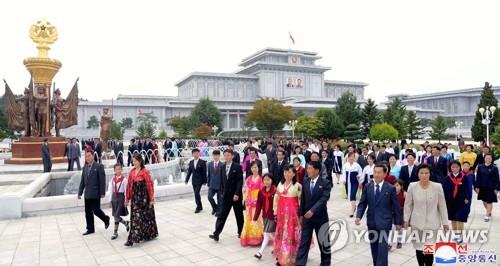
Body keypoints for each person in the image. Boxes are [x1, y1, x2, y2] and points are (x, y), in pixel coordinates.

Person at [355, 163, 402, 266]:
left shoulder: (390, 188)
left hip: (385, 222)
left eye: (379, 172)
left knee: (383, 249)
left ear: (385, 174)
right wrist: (358, 216)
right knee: (374, 247)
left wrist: (398, 222)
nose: (376, 175)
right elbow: (362, 203)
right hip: (371, 222)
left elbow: (396, 206)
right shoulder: (368, 186)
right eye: (375, 172)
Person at [404, 164, 449, 266]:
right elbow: (408, 205)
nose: (424, 175)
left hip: (432, 224)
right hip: (417, 223)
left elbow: (442, 206)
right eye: (421, 173)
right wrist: (406, 219)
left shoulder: (437, 187)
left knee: (429, 249)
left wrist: (445, 222)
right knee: (419, 248)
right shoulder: (412, 186)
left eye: (426, 173)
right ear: (418, 174)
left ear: (430, 174)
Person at [296, 161, 331, 266]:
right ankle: (300, 263)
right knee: (304, 242)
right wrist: (301, 215)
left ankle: (325, 263)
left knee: (323, 243)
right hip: (307, 218)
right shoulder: (305, 181)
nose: (308, 170)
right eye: (307, 168)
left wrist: (313, 210)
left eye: (310, 168)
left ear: (317, 170)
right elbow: (303, 200)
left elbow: (324, 199)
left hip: (321, 218)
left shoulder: (325, 183)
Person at [210, 149, 244, 241]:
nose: (226, 157)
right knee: (221, 215)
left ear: (232, 156)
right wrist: (221, 194)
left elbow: (240, 181)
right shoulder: (222, 167)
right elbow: (222, 182)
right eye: (225, 155)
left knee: (239, 215)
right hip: (226, 196)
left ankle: (241, 232)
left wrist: (237, 193)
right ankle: (216, 233)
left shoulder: (237, 167)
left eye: (228, 155)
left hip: (236, 196)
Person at [125, 153, 158, 246]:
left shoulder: (145, 171)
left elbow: (150, 185)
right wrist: (127, 198)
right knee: (136, 218)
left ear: (140, 161)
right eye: (133, 161)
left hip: (144, 198)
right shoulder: (131, 172)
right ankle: (133, 238)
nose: (134, 162)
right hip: (135, 199)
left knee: (145, 217)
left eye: (135, 161)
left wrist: (151, 199)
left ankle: (148, 234)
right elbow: (129, 186)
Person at [274, 165, 303, 266]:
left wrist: (300, 214)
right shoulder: (280, 184)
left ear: (294, 174)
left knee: (291, 235)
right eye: (285, 172)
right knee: (282, 234)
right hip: (282, 215)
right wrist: (275, 210)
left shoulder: (298, 186)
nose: (287, 174)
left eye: (290, 172)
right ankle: (282, 256)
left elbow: (301, 201)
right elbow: (276, 197)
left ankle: (292, 257)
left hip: (293, 216)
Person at [78, 151, 110, 235]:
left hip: (95, 193)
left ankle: (106, 219)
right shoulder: (85, 167)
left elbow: (102, 180)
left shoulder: (99, 166)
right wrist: (80, 192)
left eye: (89, 156)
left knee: (96, 210)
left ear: (93, 156)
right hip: (87, 194)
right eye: (86, 156)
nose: (87, 158)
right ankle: (90, 229)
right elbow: (82, 181)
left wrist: (102, 192)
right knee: (88, 212)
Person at [442, 161, 472, 243]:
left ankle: (460, 235)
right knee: (453, 219)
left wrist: (467, 198)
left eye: (456, 167)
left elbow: (468, 188)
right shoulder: (447, 178)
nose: (454, 169)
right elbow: (444, 190)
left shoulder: (464, 177)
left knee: (460, 218)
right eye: (453, 167)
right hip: (450, 201)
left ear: (459, 168)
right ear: (450, 168)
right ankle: (456, 234)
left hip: (461, 201)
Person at [253, 174, 276, 260]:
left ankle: (260, 252)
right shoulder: (261, 191)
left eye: (268, 180)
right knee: (272, 234)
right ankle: (278, 248)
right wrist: (255, 217)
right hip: (265, 216)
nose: (266, 182)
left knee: (267, 233)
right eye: (265, 180)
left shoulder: (275, 190)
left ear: (272, 181)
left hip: (273, 216)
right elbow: (258, 205)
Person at [240, 161, 264, 246]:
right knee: (249, 219)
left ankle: (258, 238)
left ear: (258, 168)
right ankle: (249, 237)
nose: (254, 169)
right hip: (249, 201)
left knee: (258, 218)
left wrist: (259, 200)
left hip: (258, 201)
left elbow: (262, 191)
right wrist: (244, 198)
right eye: (253, 167)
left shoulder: (261, 179)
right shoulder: (248, 178)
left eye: (256, 167)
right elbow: (245, 189)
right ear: (250, 169)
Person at [474, 154, 500, 222]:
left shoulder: (494, 168)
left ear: (491, 159)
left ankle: (487, 215)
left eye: (489, 158)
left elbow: (497, 179)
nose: (488, 159)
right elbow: (478, 177)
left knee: (489, 201)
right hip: (482, 187)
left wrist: (497, 188)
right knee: (484, 200)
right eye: (486, 158)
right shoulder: (480, 167)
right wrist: (476, 186)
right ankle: (489, 211)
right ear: (484, 159)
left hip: (491, 187)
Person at [107, 164, 130, 240]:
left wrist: (126, 200)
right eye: (116, 169)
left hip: (121, 199)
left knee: (116, 216)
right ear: (114, 170)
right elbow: (110, 191)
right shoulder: (112, 180)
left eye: (119, 169)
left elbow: (126, 191)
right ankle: (125, 223)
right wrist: (110, 200)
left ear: (121, 170)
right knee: (115, 215)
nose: (118, 171)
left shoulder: (124, 180)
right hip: (114, 198)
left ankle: (115, 232)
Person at [185, 148, 207, 213]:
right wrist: (186, 179)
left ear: (199, 154)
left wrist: (205, 181)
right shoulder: (191, 162)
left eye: (197, 153)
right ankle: (200, 206)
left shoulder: (202, 162)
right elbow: (189, 171)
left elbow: (204, 172)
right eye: (194, 153)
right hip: (194, 180)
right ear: (192, 154)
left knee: (196, 193)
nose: (195, 154)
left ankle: (198, 207)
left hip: (200, 180)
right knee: (196, 194)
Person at [342, 153, 363, 217]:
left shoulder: (357, 165)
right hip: (348, 181)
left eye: (352, 157)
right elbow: (344, 173)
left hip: (355, 181)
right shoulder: (345, 165)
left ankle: (352, 211)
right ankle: (354, 206)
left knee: (352, 194)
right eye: (350, 157)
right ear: (348, 158)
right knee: (349, 195)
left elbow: (360, 172)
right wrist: (344, 180)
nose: (351, 158)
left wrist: (359, 177)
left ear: (354, 158)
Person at [207, 150, 224, 216]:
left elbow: (223, 177)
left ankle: (218, 211)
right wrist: (208, 183)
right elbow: (209, 174)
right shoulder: (210, 164)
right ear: (212, 156)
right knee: (209, 197)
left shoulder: (222, 165)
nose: (215, 157)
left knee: (219, 200)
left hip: (220, 186)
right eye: (214, 155)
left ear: (219, 156)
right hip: (212, 185)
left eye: (217, 155)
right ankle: (215, 208)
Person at [394, 179, 406, 249]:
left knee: (399, 228)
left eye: (397, 185)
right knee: (392, 227)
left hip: (401, 213)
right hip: (393, 212)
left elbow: (407, 205)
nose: (396, 187)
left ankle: (399, 241)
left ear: (401, 186)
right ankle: (389, 243)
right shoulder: (391, 193)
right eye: (395, 185)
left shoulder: (404, 194)